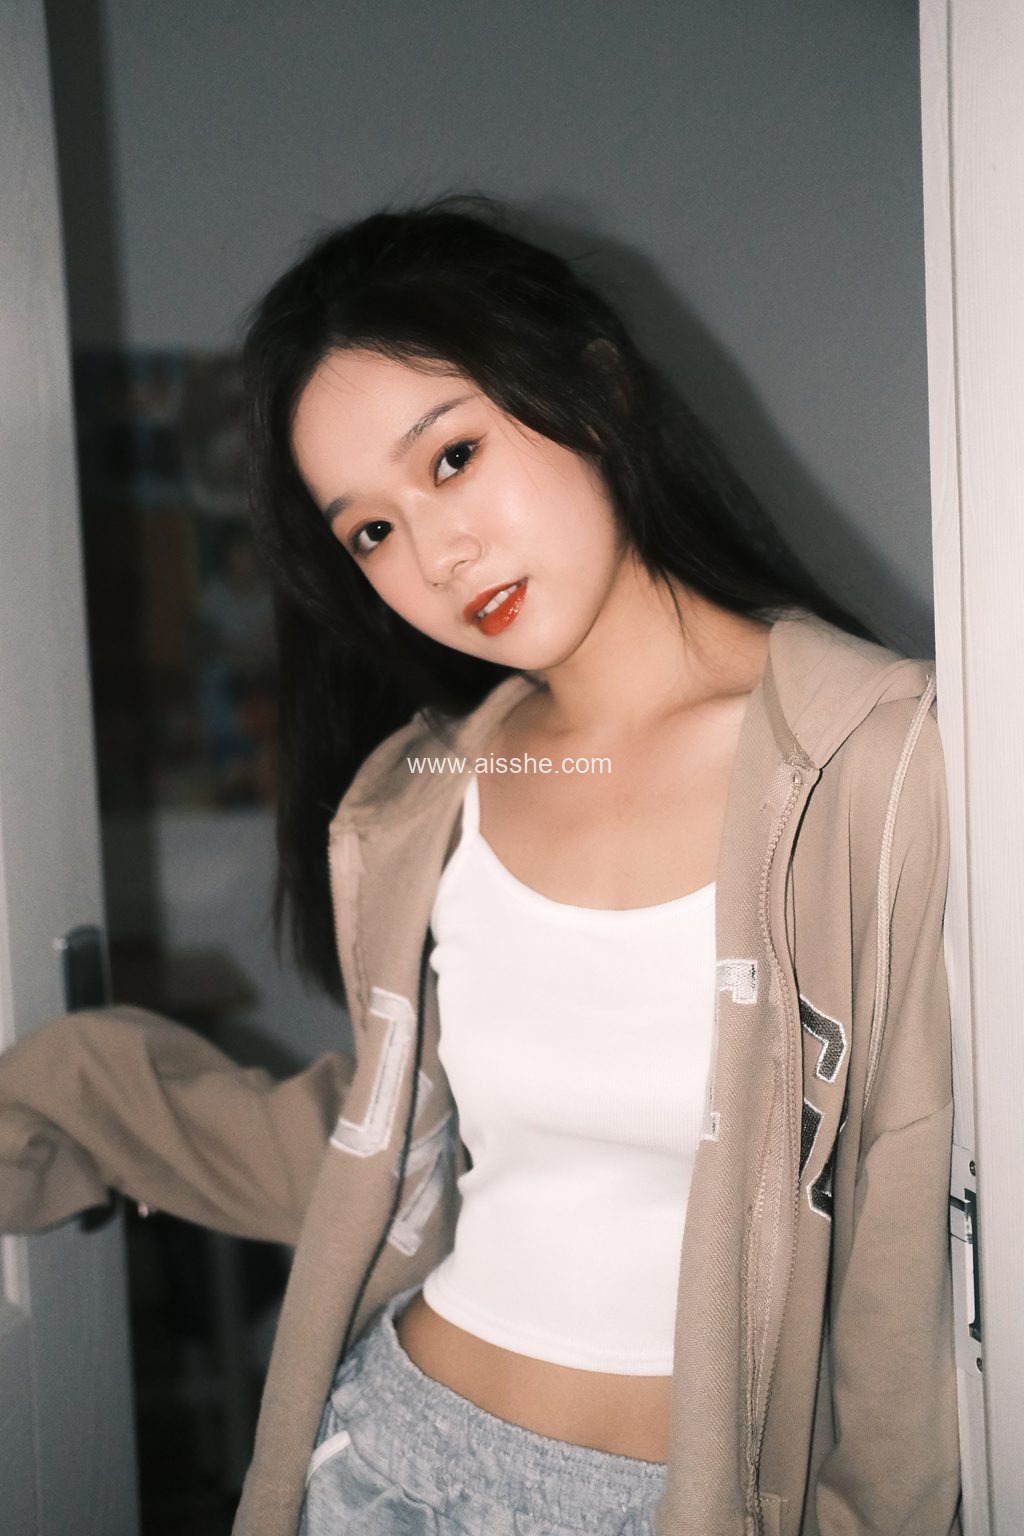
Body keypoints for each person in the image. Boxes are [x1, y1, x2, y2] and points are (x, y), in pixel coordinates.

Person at [0, 198, 961, 1536]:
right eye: (370, 532)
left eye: (451, 457)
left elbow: (907, 1257)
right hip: (385, 1462)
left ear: (598, 388)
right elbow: (386, 1145)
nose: (436, 555)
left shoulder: (883, 768)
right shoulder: (418, 799)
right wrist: (69, 1095)